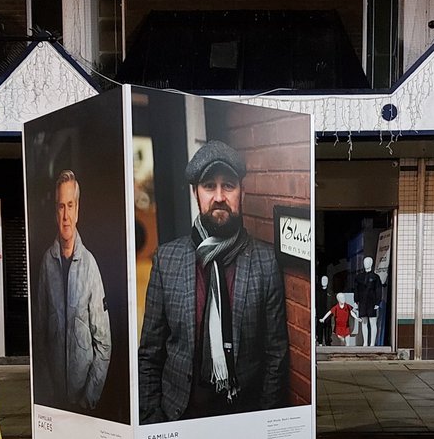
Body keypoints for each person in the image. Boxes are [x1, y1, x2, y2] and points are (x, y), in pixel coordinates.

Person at [138, 139, 288, 423]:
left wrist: (263, 426)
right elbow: (150, 353)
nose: (219, 196)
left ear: (241, 191)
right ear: (196, 193)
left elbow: (275, 356)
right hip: (178, 415)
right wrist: (152, 420)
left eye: (228, 185)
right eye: (209, 186)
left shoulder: (265, 262)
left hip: (241, 417)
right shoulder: (167, 260)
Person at [32, 170, 111, 412]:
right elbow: (40, 337)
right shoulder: (47, 262)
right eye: (60, 207)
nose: (65, 216)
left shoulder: (90, 266)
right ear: (55, 212)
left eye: (70, 206)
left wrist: (88, 398)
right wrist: (48, 394)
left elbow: (104, 344)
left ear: (77, 210)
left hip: (82, 402)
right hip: (54, 403)